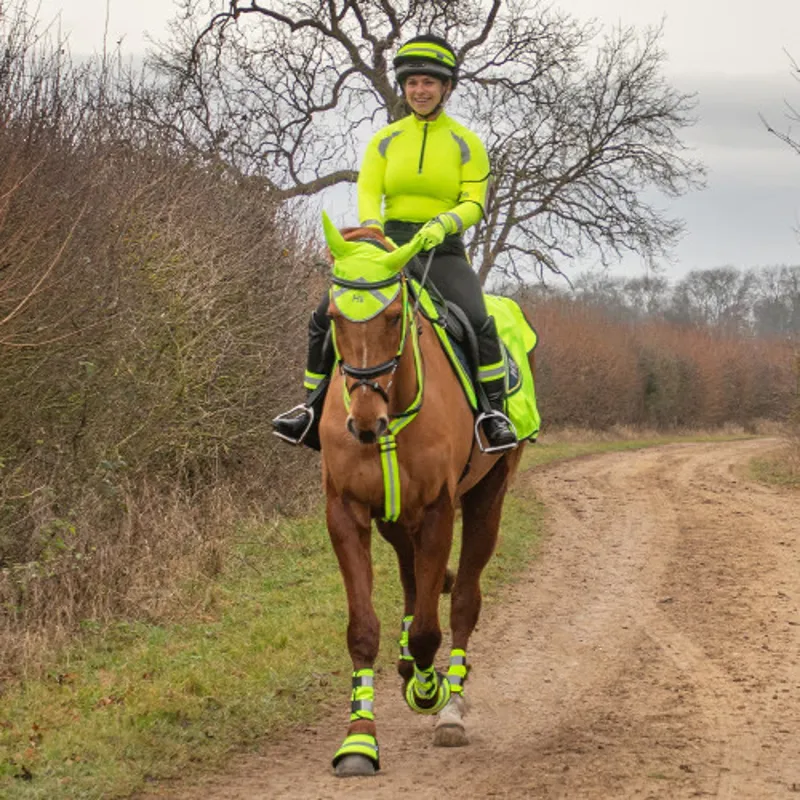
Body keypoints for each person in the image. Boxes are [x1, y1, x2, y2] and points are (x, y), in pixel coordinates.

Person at [272, 34, 516, 451]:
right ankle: (310, 410)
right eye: (413, 83)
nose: (420, 91)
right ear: (404, 87)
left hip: (443, 248)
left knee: (478, 320)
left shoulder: (467, 143)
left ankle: (493, 415)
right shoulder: (385, 140)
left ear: (447, 88)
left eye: (429, 83)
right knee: (323, 317)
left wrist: (444, 224)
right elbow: (369, 190)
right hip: (387, 245)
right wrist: (372, 229)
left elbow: (476, 201)